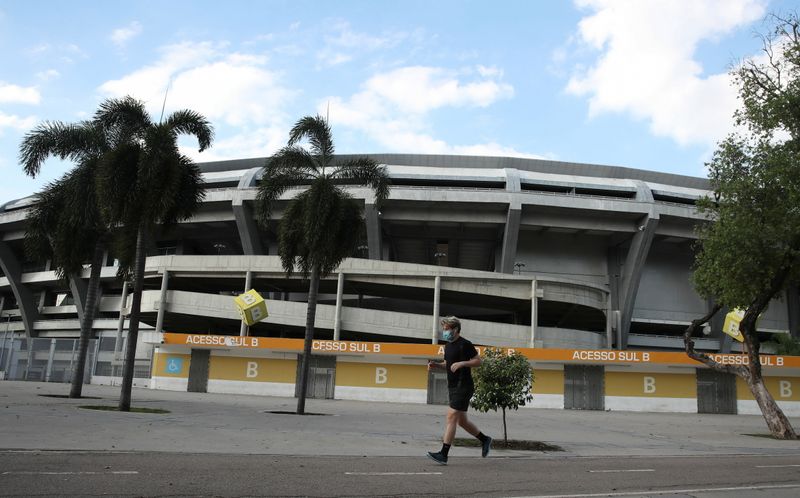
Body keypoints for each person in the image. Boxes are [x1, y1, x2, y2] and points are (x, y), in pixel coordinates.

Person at [426, 316, 492, 465]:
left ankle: (443, 454)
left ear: (455, 329)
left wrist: (462, 363)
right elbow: (448, 364)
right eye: (444, 329)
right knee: (462, 421)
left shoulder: (465, 344)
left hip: (464, 386)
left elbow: (478, 361)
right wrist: (437, 365)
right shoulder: (448, 346)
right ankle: (485, 439)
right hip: (453, 386)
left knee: (451, 417)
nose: (445, 332)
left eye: (447, 329)